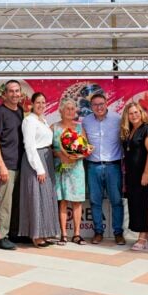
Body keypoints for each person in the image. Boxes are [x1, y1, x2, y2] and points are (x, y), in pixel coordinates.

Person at [18, 93, 61, 246]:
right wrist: (39, 168)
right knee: (36, 197)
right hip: (36, 161)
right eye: (38, 102)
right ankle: (36, 235)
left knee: (46, 197)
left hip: (46, 159)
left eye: (43, 102)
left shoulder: (43, 120)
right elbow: (30, 146)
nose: (41, 105)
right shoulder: (29, 121)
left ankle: (45, 232)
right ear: (32, 104)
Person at [82, 92, 125, 245]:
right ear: (91, 106)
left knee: (116, 201)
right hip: (93, 166)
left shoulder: (117, 119)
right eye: (95, 105)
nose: (98, 107)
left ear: (106, 104)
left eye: (101, 104)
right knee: (95, 201)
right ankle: (98, 232)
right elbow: (83, 142)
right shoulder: (86, 121)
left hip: (113, 166)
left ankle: (118, 233)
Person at [0, 80, 23, 250]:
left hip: (20, 164)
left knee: (16, 202)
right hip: (7, 165)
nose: (14, 94)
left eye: (17, 91)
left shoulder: (21, 111)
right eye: (11, 91)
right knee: (4, 203)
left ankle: (13, 233)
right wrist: (1, 165)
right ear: (5, 94)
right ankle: (0, 235)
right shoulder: (0, 113)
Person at [120, 101, 148, 251]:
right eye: (131, 113)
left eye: (136, 112)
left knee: (143, 204)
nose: (134, 115)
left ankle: (143, 238)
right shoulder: (129, 131)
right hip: (132, 175)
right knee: (135, 204)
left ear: (141, 113)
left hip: (143, 174)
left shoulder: (147, 129)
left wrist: (146, 173)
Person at [52, 98, 87, 245]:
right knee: (63, 200)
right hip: (60, 168)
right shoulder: (54, 127)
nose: (70, 111)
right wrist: (60, 154)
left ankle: (77, 234)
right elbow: (48, 149)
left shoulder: (79, 128)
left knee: (77, 201)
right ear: (60, 110)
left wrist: (75, 156)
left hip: (76, 169)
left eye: (73, 109)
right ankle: (64, 234)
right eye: (67, 108)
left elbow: (85, 149)